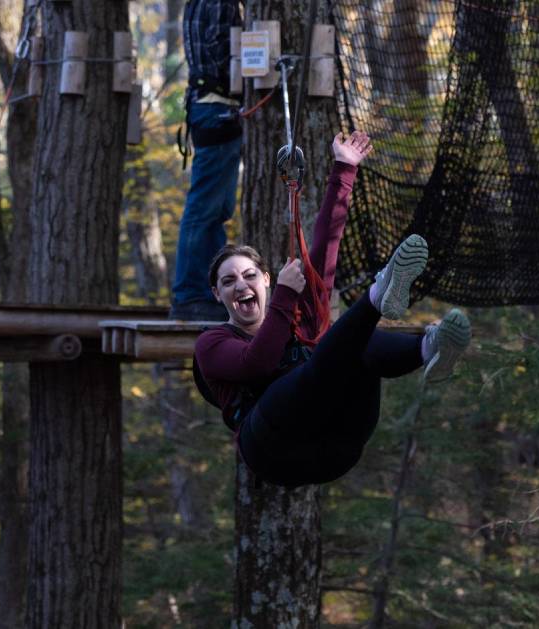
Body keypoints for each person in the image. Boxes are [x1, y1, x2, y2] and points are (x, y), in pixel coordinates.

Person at [194, 131, 472, 488]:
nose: (241, 286)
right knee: (319, 362)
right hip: (274, 449)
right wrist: (283, 297)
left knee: (354, 349)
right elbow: (257, 363)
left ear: (265, 279)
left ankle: (428, 348)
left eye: (249, 276)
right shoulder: (212, 343)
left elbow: (326, 246)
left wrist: (345, 168)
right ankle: (377, 296)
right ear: (217, 294)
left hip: (338, 445)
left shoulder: (298, 312)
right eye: (229, 282)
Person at [171, 0, 244, 321]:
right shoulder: (219, 4)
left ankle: (208, 289)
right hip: (217, 109)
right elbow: (227, 55)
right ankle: (190, 295)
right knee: (204, 209)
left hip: (210, 108)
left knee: (217, 209)